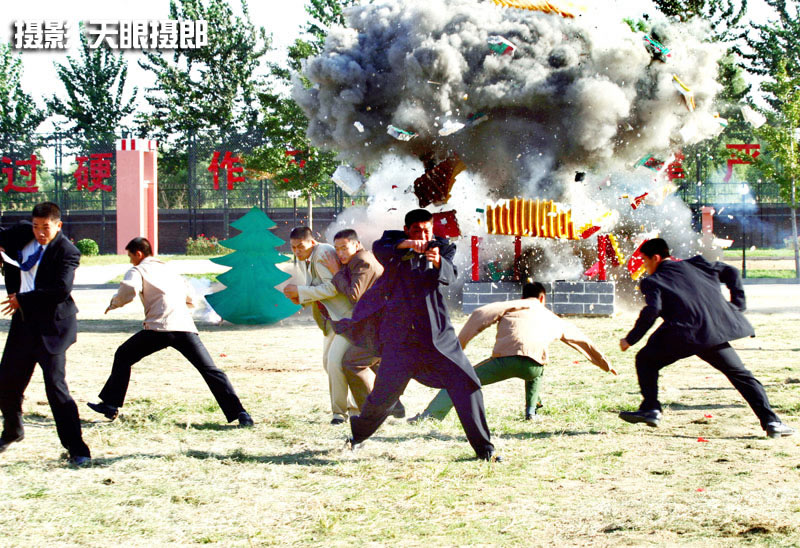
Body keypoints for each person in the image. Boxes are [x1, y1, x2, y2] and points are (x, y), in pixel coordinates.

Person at [335, 209, 498, 461]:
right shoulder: (394, 245)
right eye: (416, 231)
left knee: (468, 384)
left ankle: (485, 450)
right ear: (407, 230)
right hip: (399, 342)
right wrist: (410, 245)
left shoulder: (442, 248)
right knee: (382, 399)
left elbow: (450, 275)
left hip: (438, 340)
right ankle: (356, 437)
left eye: (426, 230)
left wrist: (437, 261)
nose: (423, 235)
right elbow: (381, 248)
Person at [618, 238, 794, 438]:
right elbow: (732, 272)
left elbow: (652, 310)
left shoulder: (652, 281)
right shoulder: (697, 264)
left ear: (656, 258)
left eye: (644, 260)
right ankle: (772, 422)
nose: (644, 265)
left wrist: (630, 339)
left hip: (682, 334)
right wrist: (738, 304)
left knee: (645, 360)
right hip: (712, 331)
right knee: (741, 375)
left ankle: (651, 409)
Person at [87, 237, 253, 427]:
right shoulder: (170, 270)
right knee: (210, 370)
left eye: (131, 256)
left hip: (158, 328)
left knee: (123, 355)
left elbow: (130, 288)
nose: (131, 261)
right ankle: (241, 413)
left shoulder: (138, 270)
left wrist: (114, 303)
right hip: (184, 327)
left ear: (138, 254)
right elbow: (190, 296)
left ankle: (110, 405)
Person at [413, 282, 616, 422]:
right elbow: (582, 340)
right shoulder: (553, 317)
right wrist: (606, 365)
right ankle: (531, 412)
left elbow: (480, 314)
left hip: (504, 361)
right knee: (538, 369)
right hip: (532, 367)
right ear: (542, 298)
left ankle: (430, 416)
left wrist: (459, 346)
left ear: (523, 297)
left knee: (460, 381)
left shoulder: (512, 305)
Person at [0, 202, 91, 465]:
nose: (40, 232)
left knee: (55, 387)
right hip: (23, 325)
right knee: (6, 382)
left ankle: (78, 449)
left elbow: (61, 290)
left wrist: (23, 299)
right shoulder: (21, 233)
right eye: (36, 226)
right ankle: (13, 431)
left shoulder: (67, 252)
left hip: (53, 328)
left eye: (46, 227)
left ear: (58, 225)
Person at [320, 229, 404, 416]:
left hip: (379, 326)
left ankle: (371, 412)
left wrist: (336, 272)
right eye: (337, 249)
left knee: (352, 363)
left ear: (357, 245)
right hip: (377, 324)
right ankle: (393, 404)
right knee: (373, 362)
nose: (340, 253)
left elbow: (354, 295)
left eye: (344, 248)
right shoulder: (357, 260)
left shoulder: (362, 261)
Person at [283, 226, 357, 425]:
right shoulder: (308, 256)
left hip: (347, 318)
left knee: (335, 363)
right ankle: (352, 408)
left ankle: (343, 413)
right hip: (333, 320)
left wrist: (300, 291)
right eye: (293, 247)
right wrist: (300, 297)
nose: (297, 251)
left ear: (312, 242)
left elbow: (332, 288)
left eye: (300, 246)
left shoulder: (322, 253)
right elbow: (318, 287)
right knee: (329, 363)